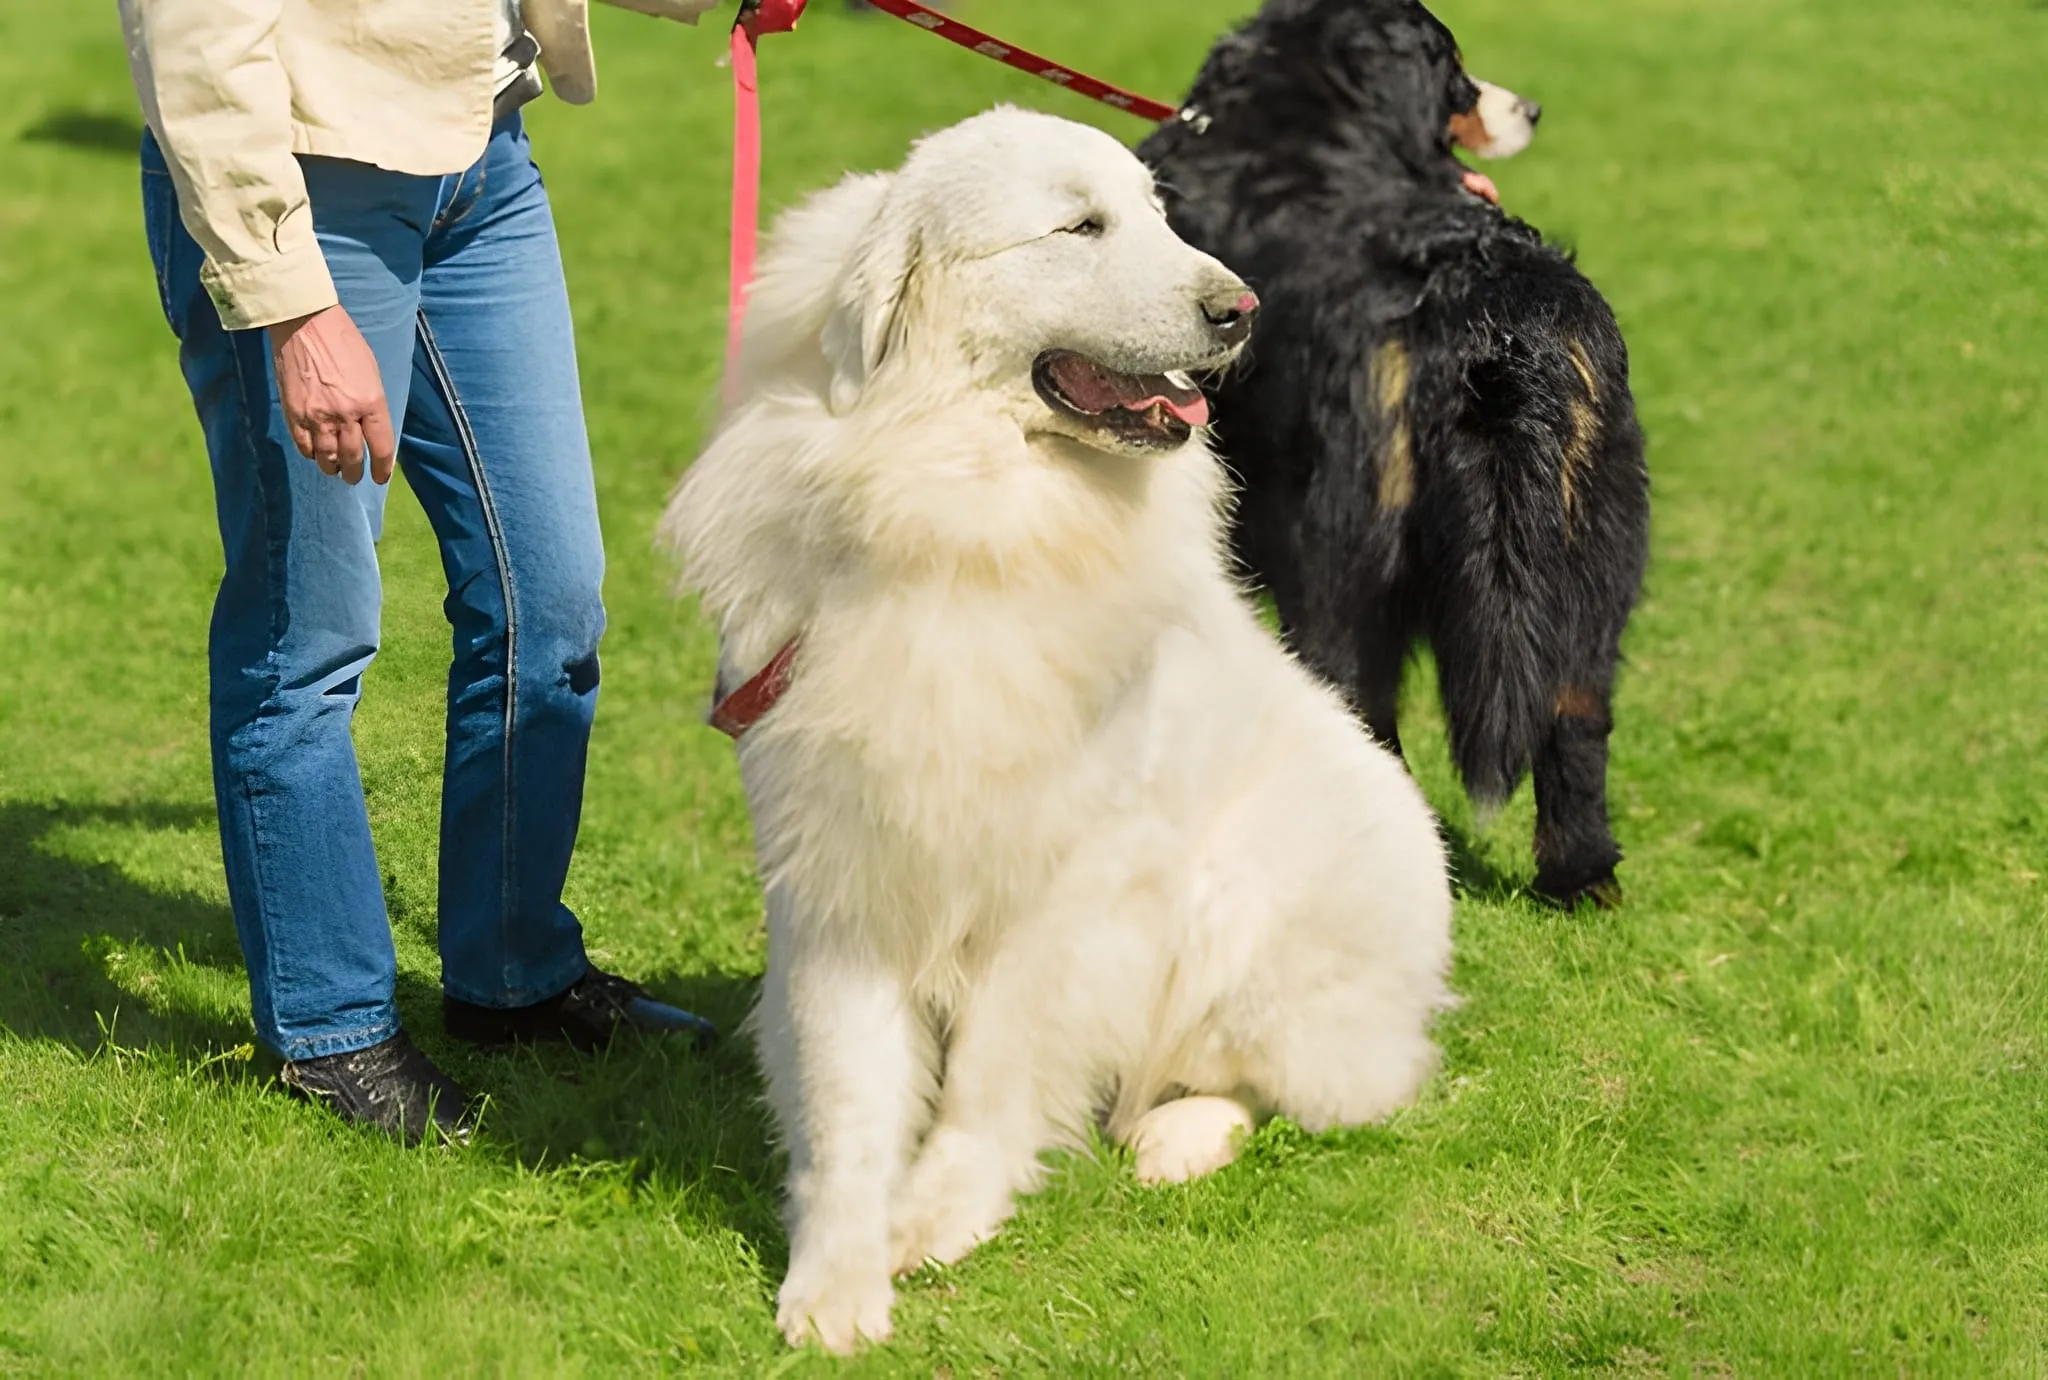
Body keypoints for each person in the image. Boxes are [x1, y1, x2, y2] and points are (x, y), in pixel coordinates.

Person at [121, 0, 724, 1144]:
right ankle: (330, 1030)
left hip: (480, 162)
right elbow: (190, 26)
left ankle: (513, 977)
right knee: (308, 630)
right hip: (306, 186)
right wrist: (292, 303)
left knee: (549, 598)